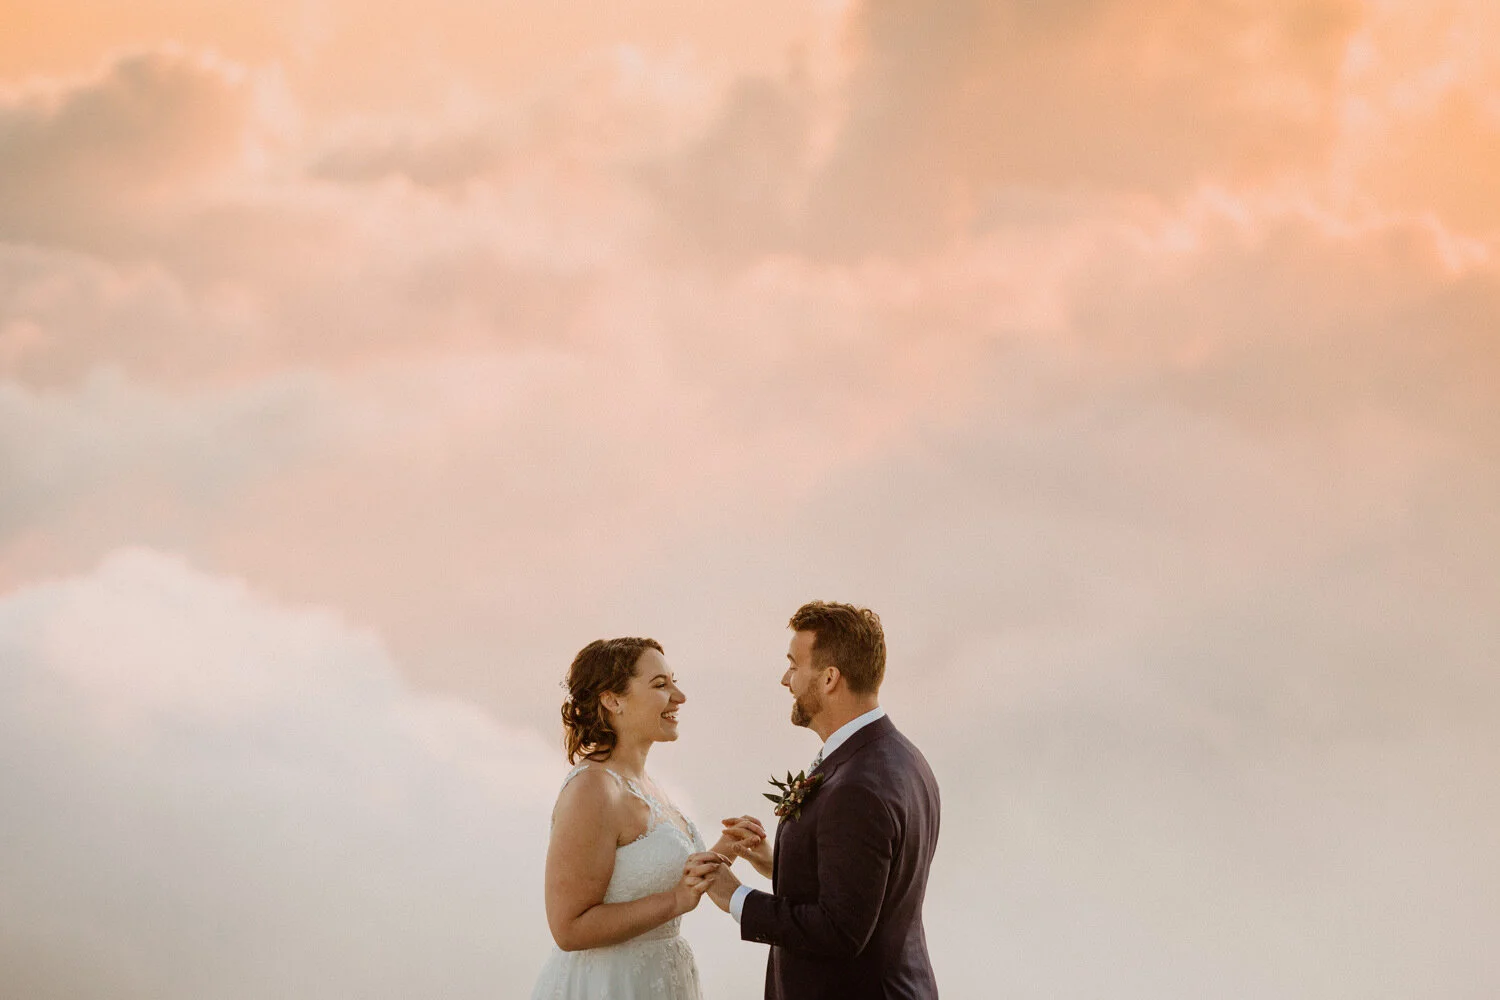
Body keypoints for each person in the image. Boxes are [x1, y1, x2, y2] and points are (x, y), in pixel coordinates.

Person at [704, 602, 942, 999]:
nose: (785, 679)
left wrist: (736, 897)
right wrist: (774, 861)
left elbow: (840, 932)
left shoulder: (857, 787)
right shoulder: (901, 755)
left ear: (830, 678)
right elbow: (863, 884)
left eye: (794, 665)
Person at [530, 637, 747, 1000]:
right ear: (612, 700)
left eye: (674, 681)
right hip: (609, 986)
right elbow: (568, 928)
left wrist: (724, 850)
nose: (679, 696)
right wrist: (676, 901)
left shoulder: (646, 784)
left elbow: (651, 875)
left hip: (661, 980)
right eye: (661, 685)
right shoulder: (592, 790)